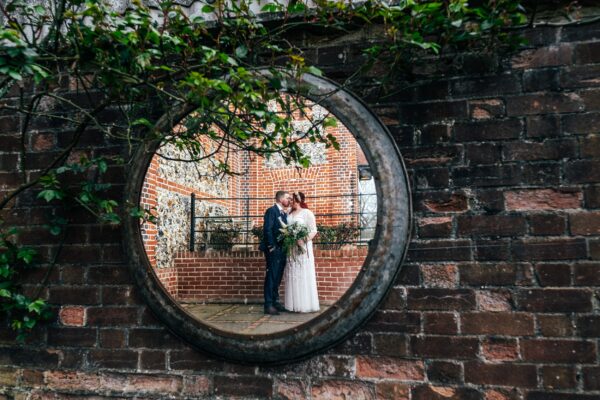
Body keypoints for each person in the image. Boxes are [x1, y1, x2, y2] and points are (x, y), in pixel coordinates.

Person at [283, 192, 320, 313]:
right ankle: (292, 305)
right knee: (292, 273)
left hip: (302, 247)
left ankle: (304, 304)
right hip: (291, 248)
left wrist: (303, 240)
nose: (289, 202)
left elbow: (313, 230)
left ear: (297, 201)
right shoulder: (289, 213)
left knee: (302, 273)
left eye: (291, 200)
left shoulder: (307, 213)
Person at [259, 191, 291, 315]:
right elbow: (267, 229)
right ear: (280, 199)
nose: (289, 200)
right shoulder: (271, 211)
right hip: (273, 250)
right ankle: (268, 305)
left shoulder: (283, 213)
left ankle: (275, 302)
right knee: (271, 276)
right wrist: (272, 246)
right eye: (287, 198)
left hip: (282, 249)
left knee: (278, 277)